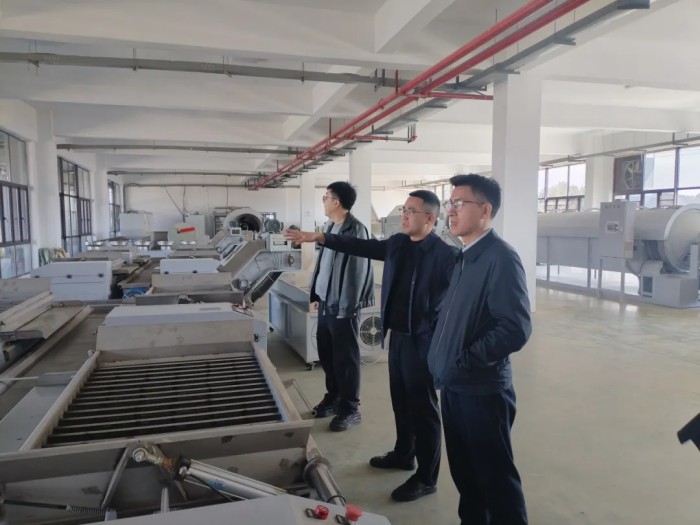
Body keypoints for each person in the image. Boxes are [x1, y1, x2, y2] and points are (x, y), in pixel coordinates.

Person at [286, 190, 457, 502]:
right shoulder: (398, 243)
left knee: (424, 410)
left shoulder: (445, 256)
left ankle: (426, 477)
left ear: (430, 218)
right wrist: (320, 237)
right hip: (398, 338)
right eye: (404, 209)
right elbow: (361, 246)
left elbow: (458, 306)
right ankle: (404, 454)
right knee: (400, 401)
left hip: (424, 342)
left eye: (412, 211)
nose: (404, 215)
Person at [427, 174, 531, 525]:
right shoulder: (465, 256)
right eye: (450, 203)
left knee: (495, 481)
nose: (450, 211)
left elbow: (515, 328)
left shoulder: (500, 258)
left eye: (459, 203)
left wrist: (464, 361)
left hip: (482, 391)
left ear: (485, 210)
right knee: (467, 478)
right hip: (455, 386)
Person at [306, 181, 374, 432]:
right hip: (326, 301)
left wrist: (347, 307)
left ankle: (350, 408)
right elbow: (323, 265)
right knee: (327, 353)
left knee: (345, 358)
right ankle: (334, 397)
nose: (323, 201)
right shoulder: (329, 226)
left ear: (336, 202)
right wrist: (315, 295)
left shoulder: (355, 229)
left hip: (343, 305)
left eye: (325, 197)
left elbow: (356, 273)